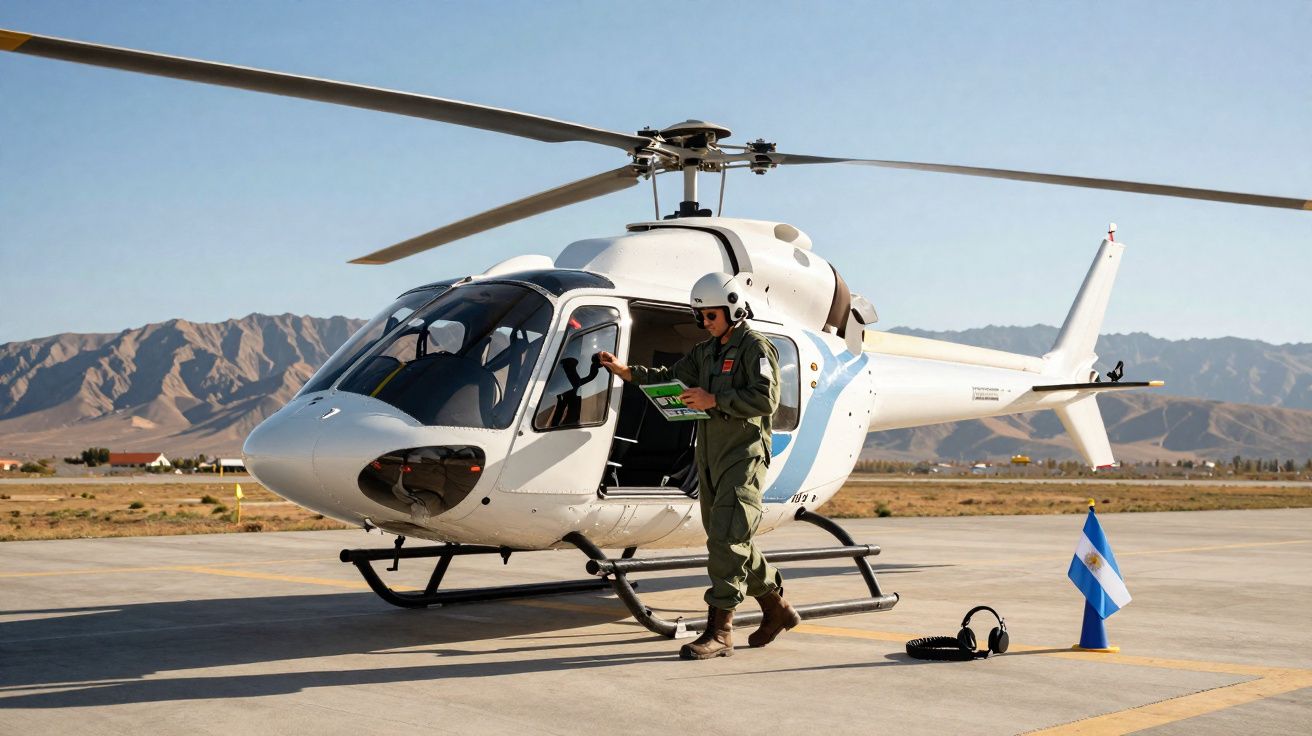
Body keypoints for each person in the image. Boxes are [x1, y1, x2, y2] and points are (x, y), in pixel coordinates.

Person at [597, 272, 801, 659]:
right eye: (700, 317)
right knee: (728, 539)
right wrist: (628, 373)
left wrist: (714, 399)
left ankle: (721, 632)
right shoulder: (705, 352)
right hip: (709, 454)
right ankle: (777, 608)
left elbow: (765, 400)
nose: (705, 324)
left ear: (734, 309)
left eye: (711, 316)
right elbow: (672, 378)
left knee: (726, 540)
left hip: (743, 456)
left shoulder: (756, 348)